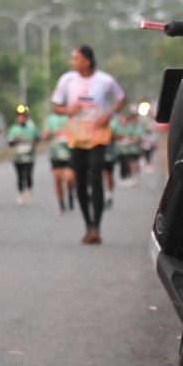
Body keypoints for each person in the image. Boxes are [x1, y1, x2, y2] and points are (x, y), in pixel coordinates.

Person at [51, 45, 125, 245]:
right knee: (80, 181)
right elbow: (56, 106)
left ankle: (96, 228)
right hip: (76, 137)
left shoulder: (105, 80)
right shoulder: (67, 80)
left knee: (96, 177)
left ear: (87, 61)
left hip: (98, 136)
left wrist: (108, 115)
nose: (72, 62)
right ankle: (87, 223)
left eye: (76, 58)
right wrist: (68, 111)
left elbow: (121, 99)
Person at [41, 109, 75, 213]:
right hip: (56, 154)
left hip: (70, 153)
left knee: (69, 178)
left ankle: (70, 192)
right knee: (58, 179)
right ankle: (61, 203)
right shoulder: (50, 119)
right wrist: (48, 134)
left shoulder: (71, 117)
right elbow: (44, 136)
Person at [7, 105, 38, 203]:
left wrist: (33, 142)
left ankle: (28, 190)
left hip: (29, 156)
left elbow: (37, 138)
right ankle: (20, 193)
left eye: (23, 116)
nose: (21, 118)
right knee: (20, 175)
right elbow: (10, 142)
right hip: (18, 156)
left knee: (28, 174)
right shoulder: (13, 129)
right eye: (19, 116)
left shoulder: (32, 128)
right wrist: (15, 140)